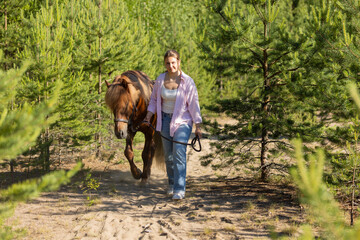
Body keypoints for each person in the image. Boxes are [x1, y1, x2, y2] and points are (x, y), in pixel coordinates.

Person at [143, 50, 202, 200]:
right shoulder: (161, 79)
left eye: (173, 63)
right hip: (165, 120)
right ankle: (171, 183)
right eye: (168, 63)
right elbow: (154, 100)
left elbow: (194, 104)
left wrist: (198, 125)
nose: (171, 66)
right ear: (165, 64)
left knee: (179, 153)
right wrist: (148, 116)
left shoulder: (187, 81)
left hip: (183, 121)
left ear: (179, 62)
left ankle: (179, 189)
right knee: (168, 156)